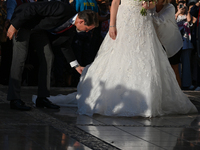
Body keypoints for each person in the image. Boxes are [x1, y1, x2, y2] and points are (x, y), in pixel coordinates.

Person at [34, 0, 198, 117]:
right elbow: (114, 3)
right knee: (120, 55)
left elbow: (155, 6)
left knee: (145, 56)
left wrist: (149, 5)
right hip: (125, 19)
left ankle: (148, 100)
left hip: (144, 21)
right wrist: (112, 25)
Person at [7, 1, 99, 111]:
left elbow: (65, 45)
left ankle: (42, 98)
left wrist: (76, 66)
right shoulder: (61, 7)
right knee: (20, 58)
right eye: (87, 29)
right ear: (81, 21)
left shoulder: (71, 27)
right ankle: (14, 99)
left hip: (38, 29)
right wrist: (14, 25)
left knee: (48, 57)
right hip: (24, 23)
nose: (87, 32)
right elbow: (31, 8)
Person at [149, 0, 183, 88]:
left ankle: (179, 95)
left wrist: (147, 15)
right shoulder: (152, 8)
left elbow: (159, 21)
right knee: (162, 72)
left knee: (174, 70)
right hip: (160, 44)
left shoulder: (170, 7)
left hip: (173, 44)